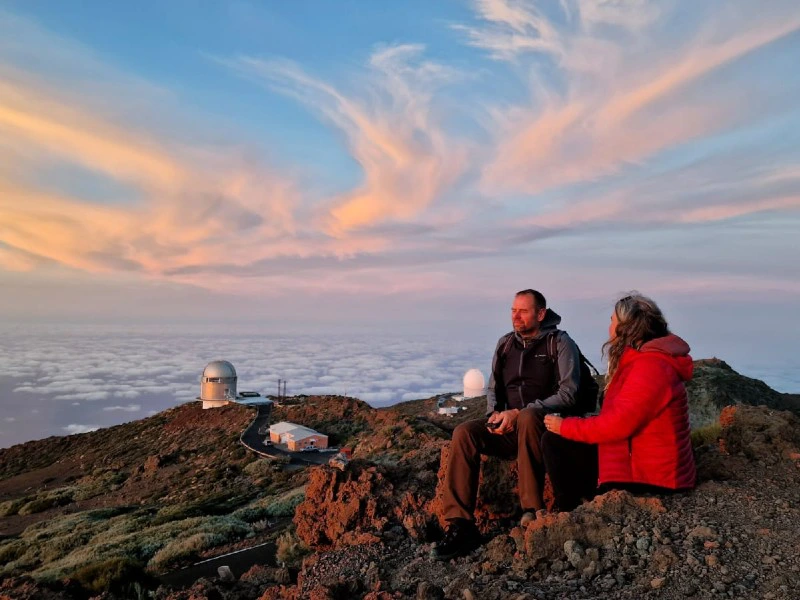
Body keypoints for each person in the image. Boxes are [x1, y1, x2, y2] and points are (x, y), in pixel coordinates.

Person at [432, 289, 584, 561]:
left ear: (541, 313)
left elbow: (568, 393)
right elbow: (493, 388)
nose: (516, 316)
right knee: (464, 432)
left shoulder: (559, 343)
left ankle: (531, 509)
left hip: (545, 428)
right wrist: (494, 416)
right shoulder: (505, 345)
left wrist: (520, 412)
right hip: (509, 426)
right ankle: (460, 524)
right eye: (513, 310)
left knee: (526, 418)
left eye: (523, 311)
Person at [542, 293, 696, 511]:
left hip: (652, 477)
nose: (609, 326)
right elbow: (625, 416)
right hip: (645, 464)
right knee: (562, 439)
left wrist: (565, 426)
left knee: (555, 441)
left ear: (627, 327)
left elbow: (618, 425)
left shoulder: (650, 367)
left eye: (612, 320)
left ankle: (571, 511)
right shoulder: (645, 359)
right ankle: (578, 505)